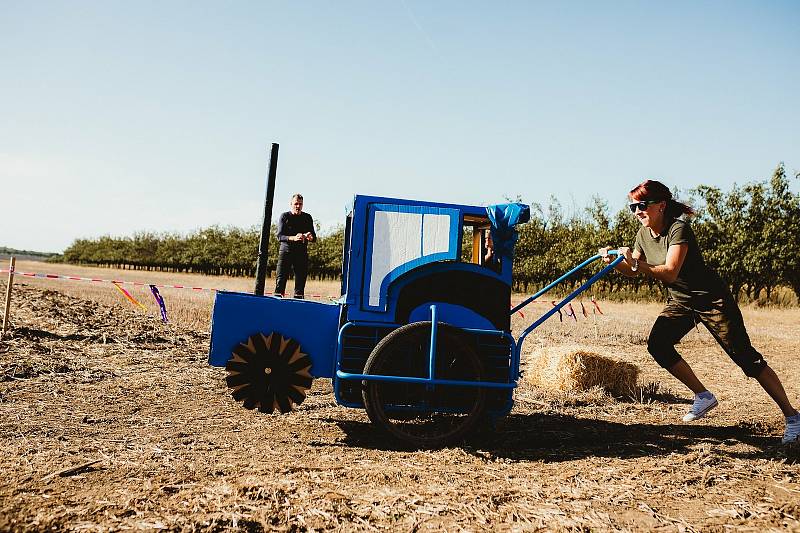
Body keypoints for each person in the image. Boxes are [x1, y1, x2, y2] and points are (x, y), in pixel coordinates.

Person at [600, 179, 799, 444]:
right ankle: (703, 396)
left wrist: (636, 262)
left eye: (642, 205)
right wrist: (616, 263)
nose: (637, 211)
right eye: (632, 206)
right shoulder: (643, 234)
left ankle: (793, 417)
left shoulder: (678, 229)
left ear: (660, 206)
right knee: (658, 345)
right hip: (681, 301)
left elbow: (670, 272)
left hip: (712, 300)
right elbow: (635, 271)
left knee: (745, 357)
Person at [274, 193, 316, 299]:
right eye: (296, 204)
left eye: (300, 204)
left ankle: (298, 308)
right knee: (280, 281)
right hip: (286, 252)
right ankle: (276, 306)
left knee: (300, 284)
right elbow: (279, 236)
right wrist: (294, 237)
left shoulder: (307, 217)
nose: (298, 206)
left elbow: (314, 237)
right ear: (291, 204)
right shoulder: (285, 216)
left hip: (301, 254)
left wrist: (309, 236)